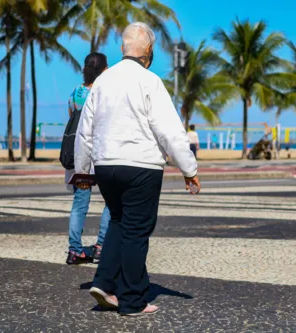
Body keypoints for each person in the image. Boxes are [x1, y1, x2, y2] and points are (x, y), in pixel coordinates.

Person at [75, 22, 200, 316]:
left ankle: (104, 282)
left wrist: (83, 172)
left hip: (106, 166)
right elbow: (169, 130)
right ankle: (132, 300)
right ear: (148, 50)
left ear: (123, 49)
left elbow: (85, 129)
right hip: (140, 167)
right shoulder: (150, 81)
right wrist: (188, 169)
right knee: (136, 231)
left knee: (119, 221)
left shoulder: (103, 82)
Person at [65, 53, 111, 265]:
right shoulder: (103, 93)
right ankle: (101, 246)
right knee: (111, 201)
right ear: (103, 71)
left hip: (79, 157)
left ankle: (74, 250)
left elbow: (72, 120)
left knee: (79, 204)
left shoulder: (75, 93)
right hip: (99, 155)